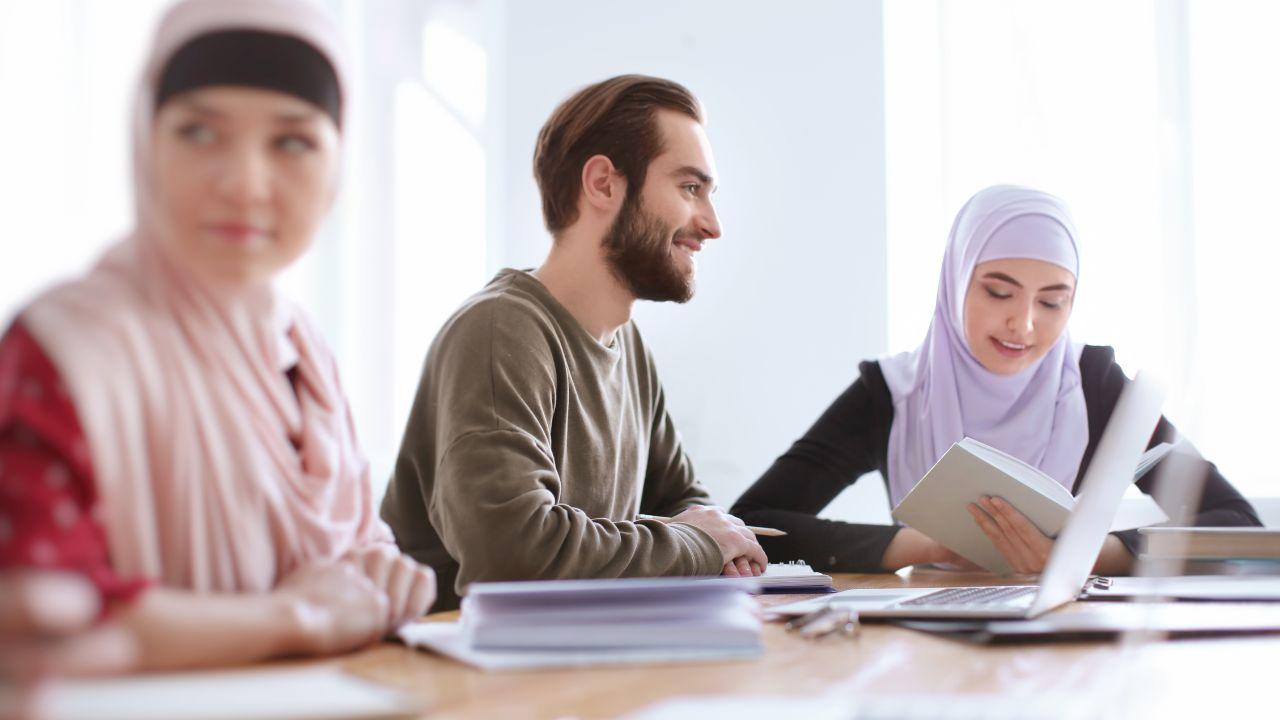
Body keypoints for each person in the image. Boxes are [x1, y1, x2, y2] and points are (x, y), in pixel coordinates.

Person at [0, 0, 434, 674]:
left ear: (337, 167)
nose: (244, 184)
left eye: (292, 141)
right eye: (200, 132)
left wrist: (375, 576)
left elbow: (349, 557)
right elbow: (36, 613)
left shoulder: (305, 356)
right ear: (146, 144)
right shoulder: (68, 351)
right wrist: (301, 617)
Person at [381, 74, 767, 611]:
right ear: (604, 184)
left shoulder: (628, 348)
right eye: (690, 188)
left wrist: (711, 539)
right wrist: (699, 544)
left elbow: (686, 503)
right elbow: (512, 556)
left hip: (577, 667)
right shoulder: (499, 332)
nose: (712, 224)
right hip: (467, 681)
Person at [732, 185, 1261, 576]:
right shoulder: (893, 393)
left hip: (1063, 637)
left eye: (1053, 301)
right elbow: (751, 524)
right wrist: (923, 546)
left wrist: (1092, 552)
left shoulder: (1093, 386)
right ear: (956, 281)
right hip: (925, 633)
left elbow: (1235, 520)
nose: (1024, 325)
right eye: (998, 292)